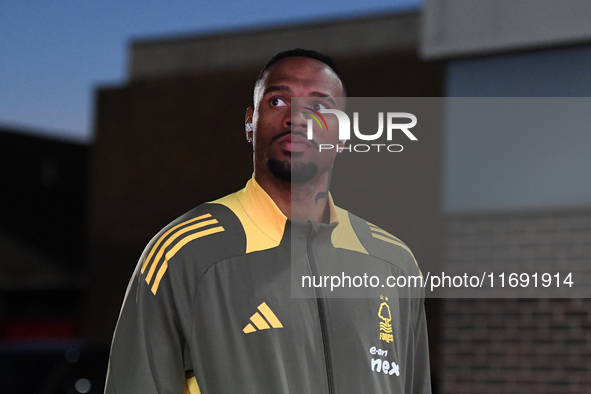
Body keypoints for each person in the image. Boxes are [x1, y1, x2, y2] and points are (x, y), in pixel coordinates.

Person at [105, 48, 431, 393]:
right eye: (277, 102)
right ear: (250, 122)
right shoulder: (183, 253)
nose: (298, 117)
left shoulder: (394, 263)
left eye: (320, 107)